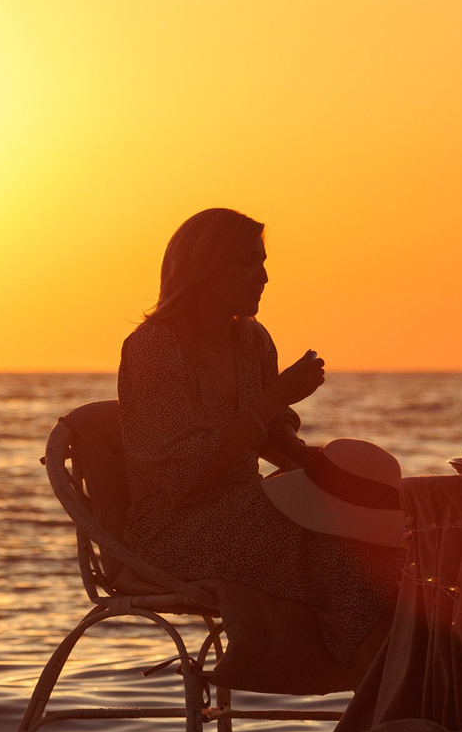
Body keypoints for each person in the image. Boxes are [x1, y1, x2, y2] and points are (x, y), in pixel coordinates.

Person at [117, 208, 405, 669]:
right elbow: (187, 474)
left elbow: (273, 438)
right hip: (175, 531)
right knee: (349, 556)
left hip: (249, 510)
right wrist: (272, 398)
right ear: (205, 270)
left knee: (379, 526)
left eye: (264, 262)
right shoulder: (154, 348)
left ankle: (385, 681)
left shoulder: (252, 342)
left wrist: (329, 472)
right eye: (247, 263)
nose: (265, 277)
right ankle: (358, 674)